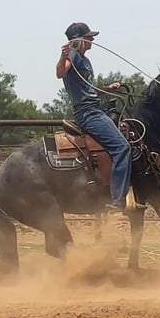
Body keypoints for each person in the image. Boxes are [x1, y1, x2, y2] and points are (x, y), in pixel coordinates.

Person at [56, 22, 138, 213]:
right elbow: (60, 73)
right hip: (88, 113)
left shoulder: (86, 61)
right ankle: (117, 199)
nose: (92, 40)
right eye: (89, 37)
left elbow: (88, 89)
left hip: (95, 109)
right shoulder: (73, 57)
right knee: (122, 147)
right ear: (79, 40)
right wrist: (62, 56)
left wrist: (108, 89)